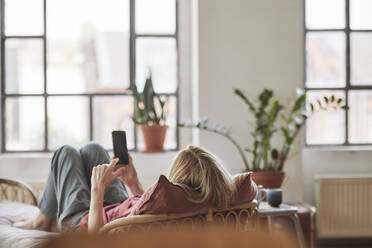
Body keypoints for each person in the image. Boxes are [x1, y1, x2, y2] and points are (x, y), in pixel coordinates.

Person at [14, 143, 235, 233]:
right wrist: (132, 182)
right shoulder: (186, 201)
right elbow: (146, 209)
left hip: (85, 220)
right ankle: (46, 214)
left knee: (66, 153)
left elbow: (95, 239)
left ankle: (42, 220)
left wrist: (97, 190)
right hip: (115, 209)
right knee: (93, 149)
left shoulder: (174, 203)